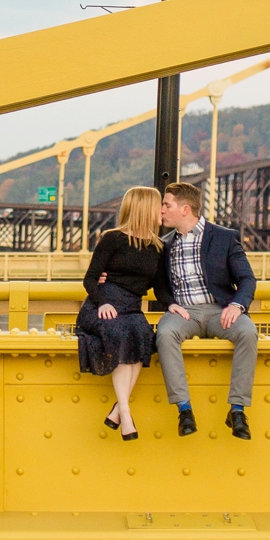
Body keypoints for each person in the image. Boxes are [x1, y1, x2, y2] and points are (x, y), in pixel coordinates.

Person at [153, 180, 259, 440]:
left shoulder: (224, 237)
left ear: (185, 209)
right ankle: (184, 409)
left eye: (167, 205)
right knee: (165, 335)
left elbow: (247, 279)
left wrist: (237, 304)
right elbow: (158, 284)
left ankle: (237, 410)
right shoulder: (164, 244)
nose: (162, 210)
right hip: (184, 313)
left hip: (219, 310)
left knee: (247, 332)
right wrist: (170, 303)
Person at [75, 185, 164, 441]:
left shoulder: (156, 247)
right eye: (158, 205)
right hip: (102, 306)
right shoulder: (112, 239)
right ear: (145, 208)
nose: (161, 211)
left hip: (131, 307)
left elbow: (159, 288)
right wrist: (102, 302)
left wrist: (175, 306)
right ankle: (125, 411)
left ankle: (118, 409)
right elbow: (90, 279)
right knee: (123, 332)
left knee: (143, 333)